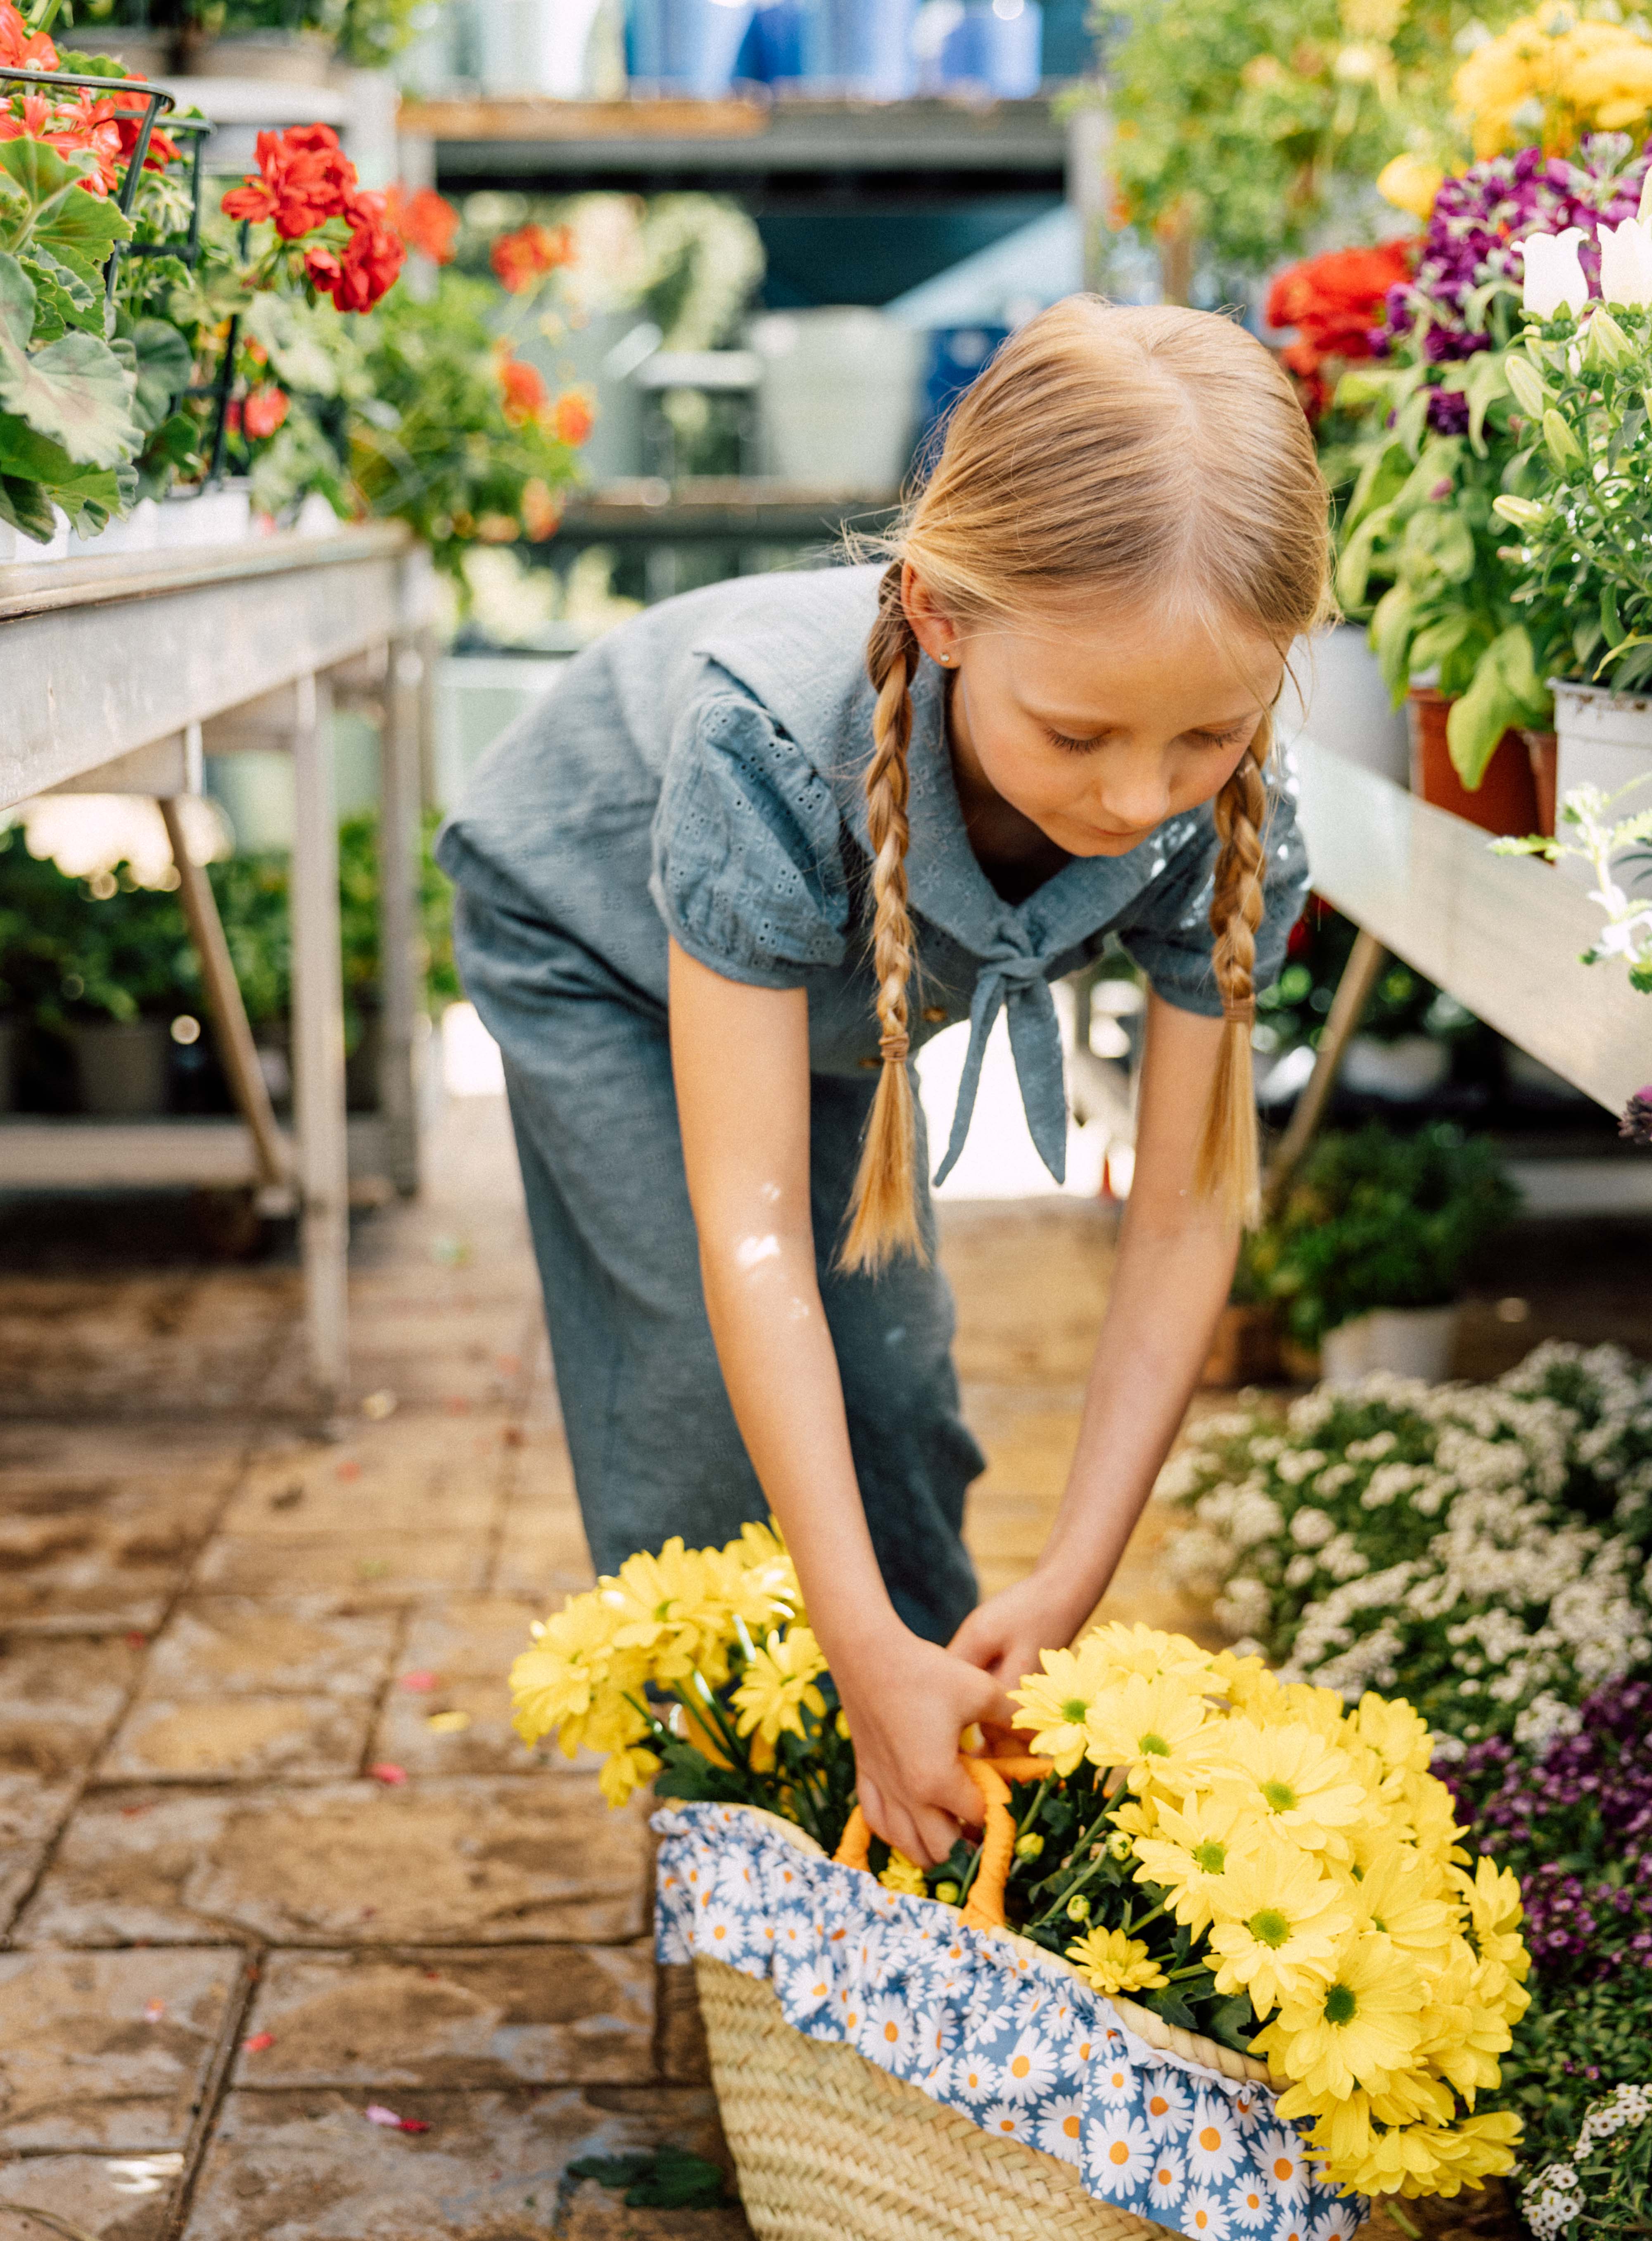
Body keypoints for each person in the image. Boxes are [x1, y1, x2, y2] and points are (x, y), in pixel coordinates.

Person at [438, 297, 1331, 1872]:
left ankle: (922, 1807)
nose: (1137, 799)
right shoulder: (767, 748)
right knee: (697, 1422)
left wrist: (1066, 1580)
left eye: (1204, 736)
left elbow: (1188, 1222)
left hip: (836, 1008)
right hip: (598, 948)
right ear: (939, 614)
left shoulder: (1214, 808)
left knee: (898, 1402)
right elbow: (758, 1226)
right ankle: (748, 1873)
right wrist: (844, 1641)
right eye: (1076, 737)